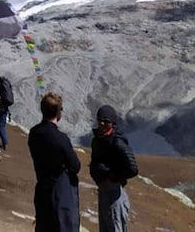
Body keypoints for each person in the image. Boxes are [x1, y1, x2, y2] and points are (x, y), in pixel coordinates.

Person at [28, 92, 81, 232]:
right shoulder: (60, 138)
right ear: (59, 113)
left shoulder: (34, 133)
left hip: (41, 188)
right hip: (59, 192)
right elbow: (75, 166)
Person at [90, 105, 138, 232]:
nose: (102, 123)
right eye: (100, 120)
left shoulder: (117, 142)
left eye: (106, 121)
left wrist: (112, 175)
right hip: (103, 192)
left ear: (113, 124)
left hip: (114, 193)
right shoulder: (97, 141)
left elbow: (133, 168)